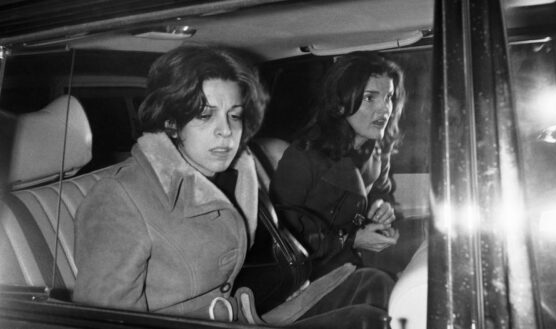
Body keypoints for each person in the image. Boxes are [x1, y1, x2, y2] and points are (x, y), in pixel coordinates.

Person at [73, 44, 393, 328]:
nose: (225, 131)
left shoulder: (233, 178)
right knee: (367, 321)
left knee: (372, 284)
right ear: (171, 122)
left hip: (247, 313)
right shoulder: (119, 198)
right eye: (205, 115)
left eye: (234, 116)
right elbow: (101, 321)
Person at [271, 51, 405, 280]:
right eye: (370, 98)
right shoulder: (303, 157)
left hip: (350, 260)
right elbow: (279, 239)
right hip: (308, 275)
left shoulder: (378, 150)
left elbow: (381, 193)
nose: (384, 109)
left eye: (388, 97)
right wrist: (351, 239)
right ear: (340, 103)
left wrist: (382, 209)